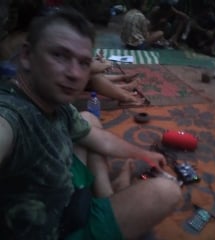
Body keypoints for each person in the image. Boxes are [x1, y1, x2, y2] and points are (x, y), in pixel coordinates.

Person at [0, 7, 182, 240]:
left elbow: (101, 140)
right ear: (26, 56)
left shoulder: (56, 103)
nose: (75, 74)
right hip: (55, 231)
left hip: (68, 202)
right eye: (59, 55)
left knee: (88, 119)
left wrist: (144, 155)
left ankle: (106, 195)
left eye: (84, 62)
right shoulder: (11, 116)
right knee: (166, 191)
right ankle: (110, 195)